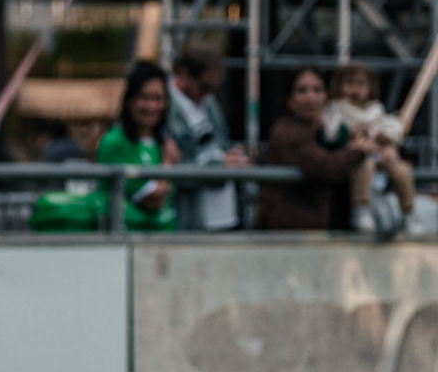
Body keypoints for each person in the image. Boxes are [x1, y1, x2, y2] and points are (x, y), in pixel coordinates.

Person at [257, 66, 365, 231]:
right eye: (301, 91)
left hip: (325, 233)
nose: (310, 97)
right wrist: (359, 150)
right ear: (289, 99)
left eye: (317, 90)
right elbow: (325, 166)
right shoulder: (287, 132)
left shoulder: (329, 130)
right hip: (291, 236)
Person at [322, 62, 422, 236]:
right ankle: (361, 208)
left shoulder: (376, 110)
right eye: (349, 83)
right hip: (357, 157)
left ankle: (409, 213)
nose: (355, 89)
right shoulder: (336, 109)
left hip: (379, 154)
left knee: (402, 170)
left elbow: (392, 127)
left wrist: (387, 137)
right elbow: (331, 133)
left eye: (360, 84)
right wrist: (350, 135)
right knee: (364, 165)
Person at [165, 42, 249, 231]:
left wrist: (233, 157)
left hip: (225, 216)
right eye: (205, 87)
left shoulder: (209, 103)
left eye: (214, 88)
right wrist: (219, 167)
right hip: (190, 218)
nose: (209, 93)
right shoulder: (164, 106)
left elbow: (221, 146)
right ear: (185, 73)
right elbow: (173, 169)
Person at [96, 62, 179, 232]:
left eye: (157, 99)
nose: (151, 106)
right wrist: (169, 163)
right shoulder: (115, 142)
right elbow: (153, 199)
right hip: (127, 246)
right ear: (129, 100)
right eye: (144, 97)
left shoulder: (162, 143)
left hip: (164, 242)